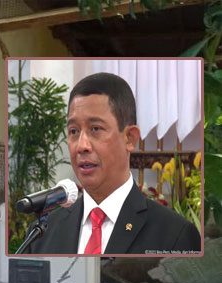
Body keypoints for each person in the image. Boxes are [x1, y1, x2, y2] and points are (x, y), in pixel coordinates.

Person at [23, 72, 201, 255]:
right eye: (74, 131)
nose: (82, 146)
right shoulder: (42, 234)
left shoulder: (175, 236)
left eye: (95, 129)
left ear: (130, 138)